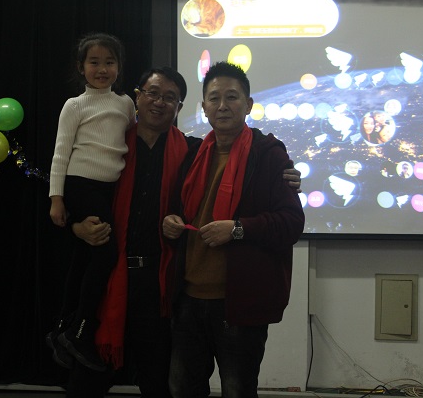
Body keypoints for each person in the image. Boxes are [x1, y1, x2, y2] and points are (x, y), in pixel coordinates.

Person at [47, 66, 303, 397]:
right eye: (152, 93)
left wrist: (279, 185)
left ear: (180, 107)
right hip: (117, 281)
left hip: (168, 288)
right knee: (93, 384)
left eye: (170, 97)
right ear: (137, 98)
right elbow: (80, 190)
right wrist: (76, 225)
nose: (159, 102)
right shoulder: (113, 145)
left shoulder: (199, 152)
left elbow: (287, 218)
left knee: (179, 386)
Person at [162, 61, 305, 398]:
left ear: (249, 104)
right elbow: (178, 209)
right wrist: (170, 221)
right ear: (203, 107)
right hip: (188, 299)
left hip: (239, 304)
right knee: (182, 388)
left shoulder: (268, 155)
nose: (222, 105)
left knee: (238, 390)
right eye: (214, 98)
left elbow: (291, 223)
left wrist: (237, 229)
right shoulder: (194, 154)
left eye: (232, 97)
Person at [48, 32, 136, 372]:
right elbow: (60, 153)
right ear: (81, 67)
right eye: (94, 62)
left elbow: (132, 139)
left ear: (119, 67)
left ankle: (63, 326)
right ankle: (80, 331)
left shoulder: (125, 104)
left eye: (109, 62)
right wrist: (57, 199)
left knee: (85, 256)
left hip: (109, 189)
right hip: (81, 184)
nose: (102, 69)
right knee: (106, 252)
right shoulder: (74, 105)